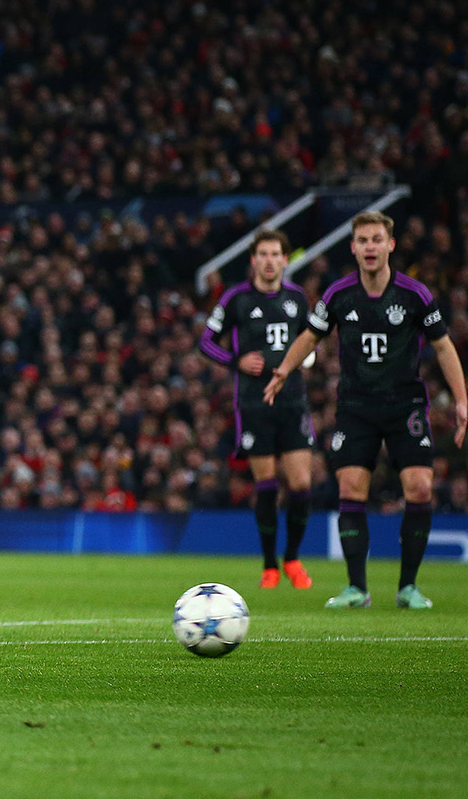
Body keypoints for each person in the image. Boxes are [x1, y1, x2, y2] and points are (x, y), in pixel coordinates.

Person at [264, 212, 468, 609]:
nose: (370, 247)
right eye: (363, 240)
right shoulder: (339, 294)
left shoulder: (415, 294)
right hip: (356, 406)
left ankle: (408, 587)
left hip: (405, 403)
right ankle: (357, 588)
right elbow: (310, 336)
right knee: (351, 489)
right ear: (353, 247)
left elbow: (443, 346)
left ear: (390, 245)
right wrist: (284, 371)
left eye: (377, 239)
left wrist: (461, 399)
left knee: (420, 487)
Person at [198, 230, 314, 589]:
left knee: (301, 484)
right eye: (261, 254)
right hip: (253, 402)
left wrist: (305, 359)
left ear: (284, 259)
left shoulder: (298, 298)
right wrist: (235, 361)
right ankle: (269, 565)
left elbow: (312, 340)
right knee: (265, 485)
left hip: (292, 400)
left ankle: (292, 558)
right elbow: (206, 341)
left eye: (275, 254)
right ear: (253, 260)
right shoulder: (237, 299)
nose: (268, 260)